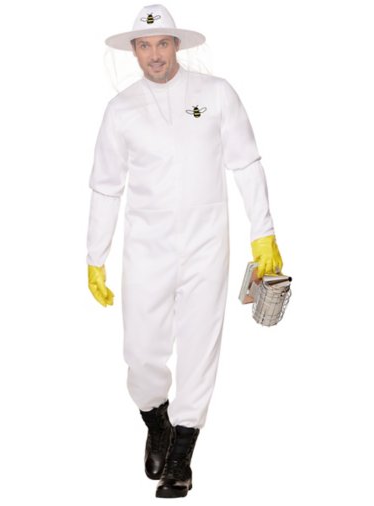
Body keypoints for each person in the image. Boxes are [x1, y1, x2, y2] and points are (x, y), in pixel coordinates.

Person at [86, 4, 283, 499]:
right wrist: (95, 256)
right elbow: (106, 186)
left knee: (200, 344)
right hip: (146, 248)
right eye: (144, 45)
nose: (154, 54)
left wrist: (263, 233)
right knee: (141, 352)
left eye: (162, 43)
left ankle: (181, 455)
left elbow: (246, 162)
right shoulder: (121, 110)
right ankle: (157, 419)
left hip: (206, 244)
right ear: (133, 51)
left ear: (177, 45)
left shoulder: (216, 94)